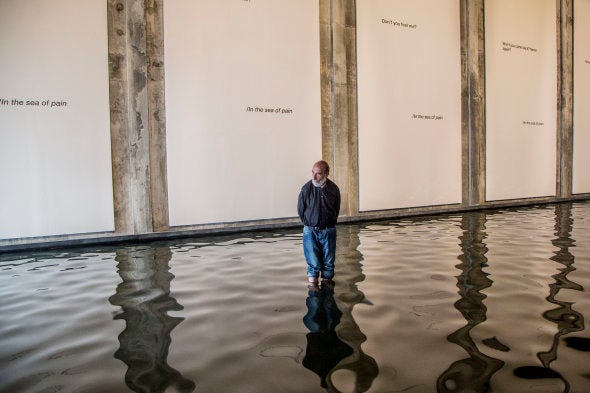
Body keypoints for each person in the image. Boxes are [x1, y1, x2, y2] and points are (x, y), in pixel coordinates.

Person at [297, 160, 341, 286]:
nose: (314, 177)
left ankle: (327, 295)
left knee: (329, 264)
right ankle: (314, 293)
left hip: (329, 230)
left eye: (319, 174)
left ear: (327, 174)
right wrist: (309, 224)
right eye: (313, 172)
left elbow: (336, 210)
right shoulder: (306, 189)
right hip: (310, 231)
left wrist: (329, 224)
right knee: (313, 265)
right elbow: (301, 210)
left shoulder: (334, 190)